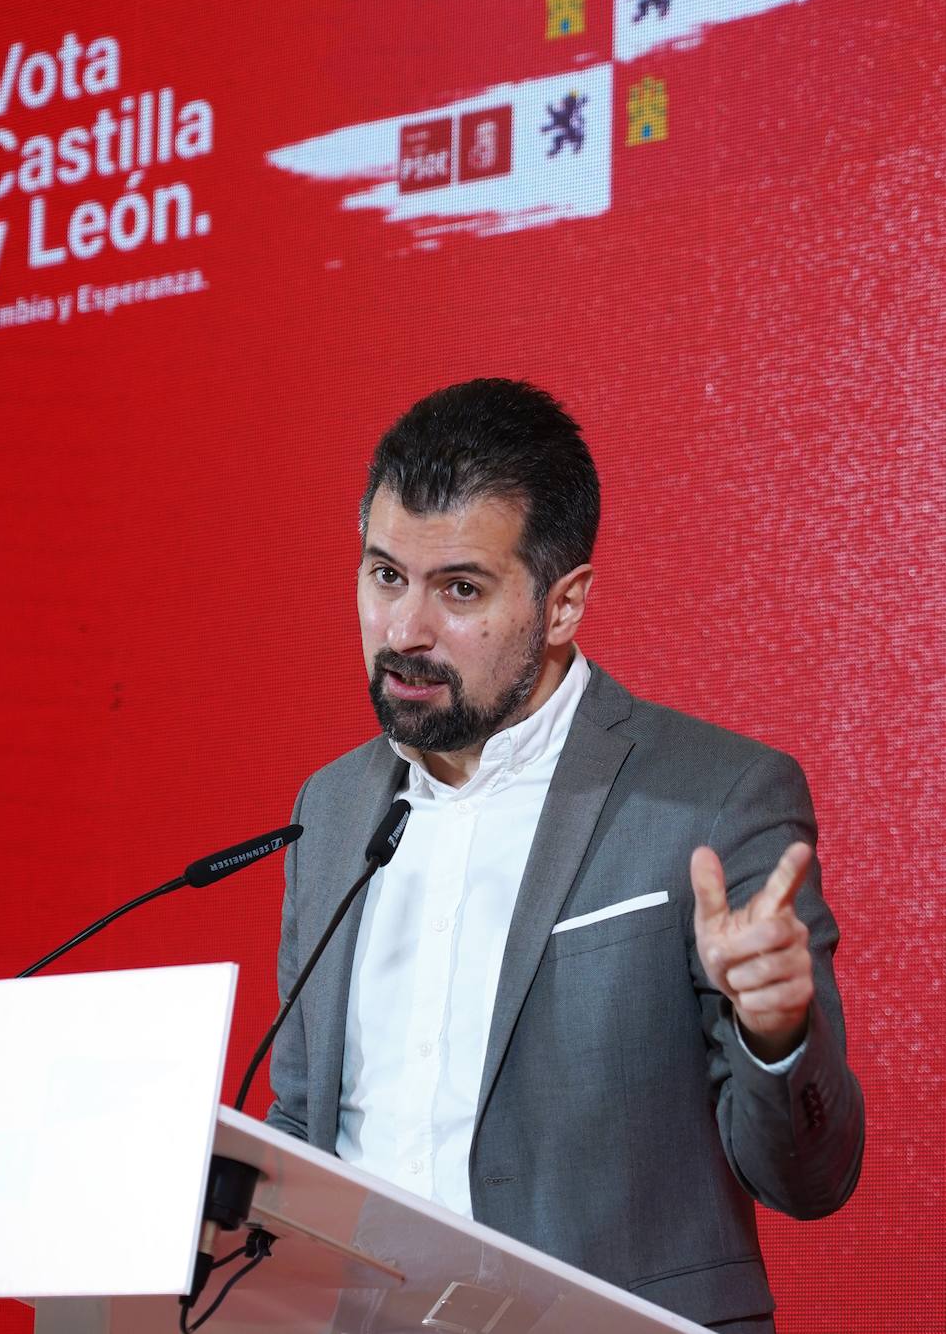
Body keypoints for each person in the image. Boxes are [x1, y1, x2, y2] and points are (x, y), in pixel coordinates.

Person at [265, 378, 864, 1332]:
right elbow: (307, 1124)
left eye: (459, 589)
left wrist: (776, 1033)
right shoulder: (331, 810)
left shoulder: (714, 798)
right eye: (385, 576)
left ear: (563, 603)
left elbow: (811, 1179)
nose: (405, 631)